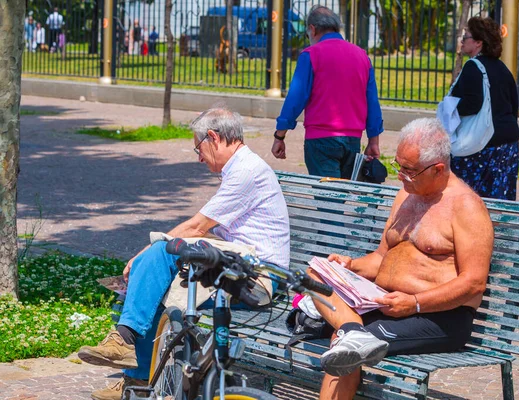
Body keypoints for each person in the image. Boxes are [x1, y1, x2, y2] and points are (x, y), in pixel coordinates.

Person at [77, 108, 291, 400]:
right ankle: (137, 382)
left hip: (258, 277)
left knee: (160, 252)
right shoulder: (240, 168)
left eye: (198, 147)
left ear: (212, 138)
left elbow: (197, 226)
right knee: (154, 278)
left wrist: (145, 253)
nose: (199, 157)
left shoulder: (247, 172)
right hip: (238, 265)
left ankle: (124, 340)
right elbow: (203, 231)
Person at [307, 118, 494, 400]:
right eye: (399, 166)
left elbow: (474, 283)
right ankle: (352, 329)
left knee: (345, 346)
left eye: (409, 170)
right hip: (386, 303)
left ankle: (351, 333)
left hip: (439, 316)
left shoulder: (465, 206)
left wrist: (414, 303)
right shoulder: (407, 195)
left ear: (438, 169)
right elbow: (382, 257)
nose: (400, 176)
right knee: (315, 277)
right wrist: (350, 265)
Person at [271, 5, 383, 179]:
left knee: (328, 200)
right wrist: (373, 141)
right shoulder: (362, 56)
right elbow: (372, 102)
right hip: (352, 140)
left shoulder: (311, 55)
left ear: (312, 29)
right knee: (339, 197)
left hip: (320, 140)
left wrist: (280, 135)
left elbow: (295, 99)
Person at [449, 17, 519, 200]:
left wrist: (449, 108)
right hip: (507, 143)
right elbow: (513, 105)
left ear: (479, 43)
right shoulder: (502, 68)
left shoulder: (473, 67)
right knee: (499, 200)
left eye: (466, 36)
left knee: (467, 198)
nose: (463, 40)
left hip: (483, 145)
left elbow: (472, 104)